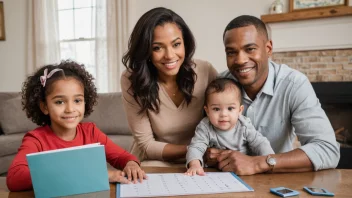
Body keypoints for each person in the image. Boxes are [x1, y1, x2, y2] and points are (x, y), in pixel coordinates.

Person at [205, 15, 340, 175]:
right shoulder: (219, 86)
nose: (240, 60)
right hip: (226, 180)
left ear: (268, 49)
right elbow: (205, 134)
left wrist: (258, 163)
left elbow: (327, 149)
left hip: (276, 180)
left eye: (250, 49)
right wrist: (208, 153)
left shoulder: (294, 84)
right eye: (231, 52)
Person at [7, 61, 146, 191]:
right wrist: (95, 176)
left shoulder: (91, 132)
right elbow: (14, 178)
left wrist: (131, 164)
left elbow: (121, 156)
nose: (70, 109)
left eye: (77, 100)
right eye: (59, 102)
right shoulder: (35, 140)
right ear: (44, 107)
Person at [121, 7, 218, 165]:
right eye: (157, 48)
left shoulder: (205, 71)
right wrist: (193, 149)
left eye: (176, 44)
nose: (170, 55)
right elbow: (146, 145)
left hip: (198, 160)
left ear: (185, 43)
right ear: (145, 50)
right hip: (154, 160)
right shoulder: (131, 79)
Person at [185, 78, 274, 176]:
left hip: (243, 172)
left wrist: (268, 162)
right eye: (216, 109)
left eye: (230, 108)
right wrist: (195, 165)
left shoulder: (244, 125)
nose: (224, 114)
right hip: (215, 173)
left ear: (240, 110)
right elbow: (196, 147)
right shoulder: (205, 126)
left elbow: (260, 143)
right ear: (207, 111)